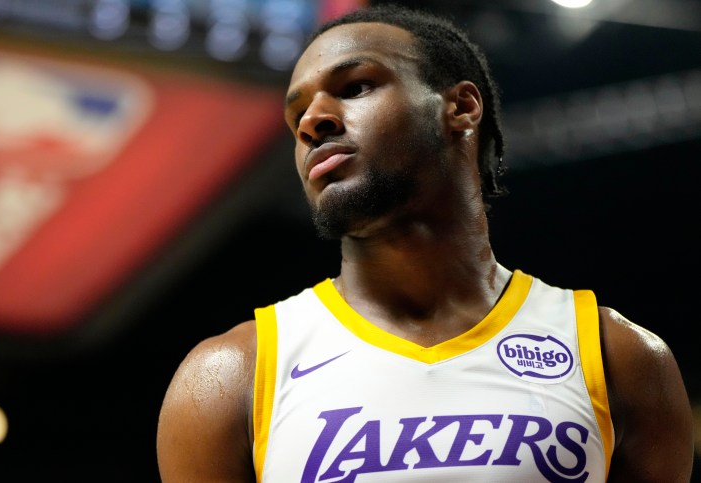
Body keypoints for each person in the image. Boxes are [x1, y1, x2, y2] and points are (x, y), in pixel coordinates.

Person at [156, 4, 695, 482]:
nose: (313, 122)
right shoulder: (231, 375)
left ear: (461, 108)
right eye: (298, 115)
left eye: (355, 87)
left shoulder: (616, 355)